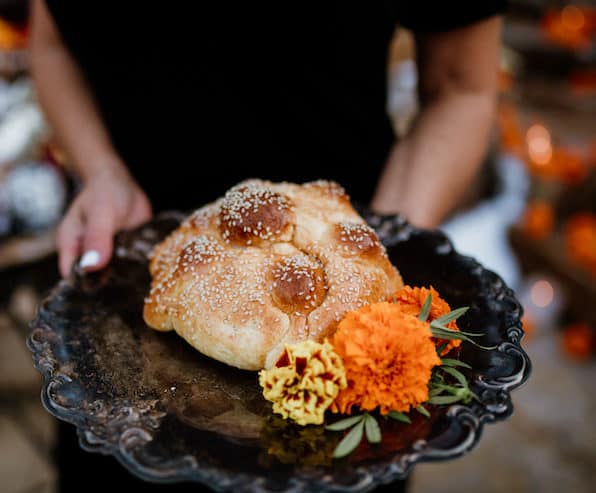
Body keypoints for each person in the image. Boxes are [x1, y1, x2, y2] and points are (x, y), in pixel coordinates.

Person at [30, 1, 504, 491]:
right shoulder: (170, 286)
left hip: (350, 276)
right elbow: (50, 44)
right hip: (122, 297)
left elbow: (461, 88)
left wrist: (381, 241)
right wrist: (101, 171)